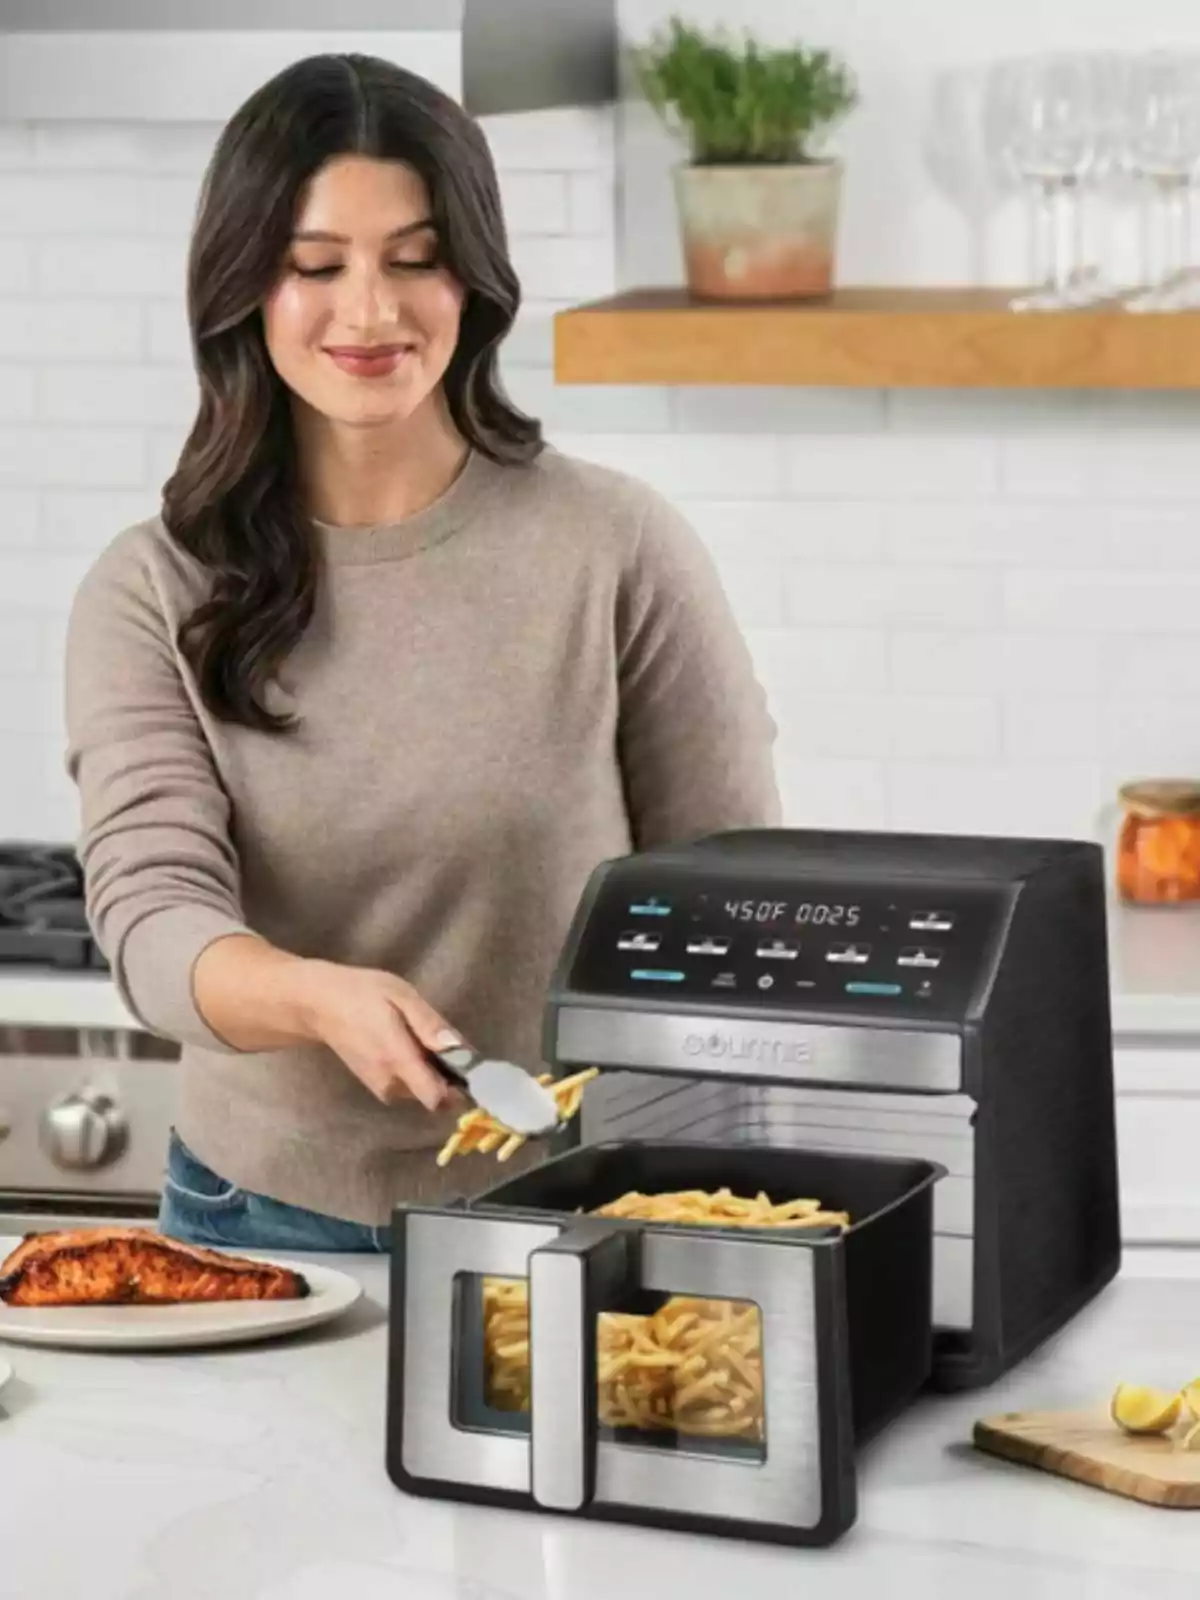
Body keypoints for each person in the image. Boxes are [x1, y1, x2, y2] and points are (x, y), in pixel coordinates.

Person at [63, 53, 780, 1255]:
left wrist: (699, 1184)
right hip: (267, 1221)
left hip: (588, 1210)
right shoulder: (150, 587)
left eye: (415, 258)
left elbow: (726, 905)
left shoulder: (615, 546)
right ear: (245, 285)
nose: (371, 312)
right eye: (315, 265)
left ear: (475, 277)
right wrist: (316, 995)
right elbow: (152, 917)